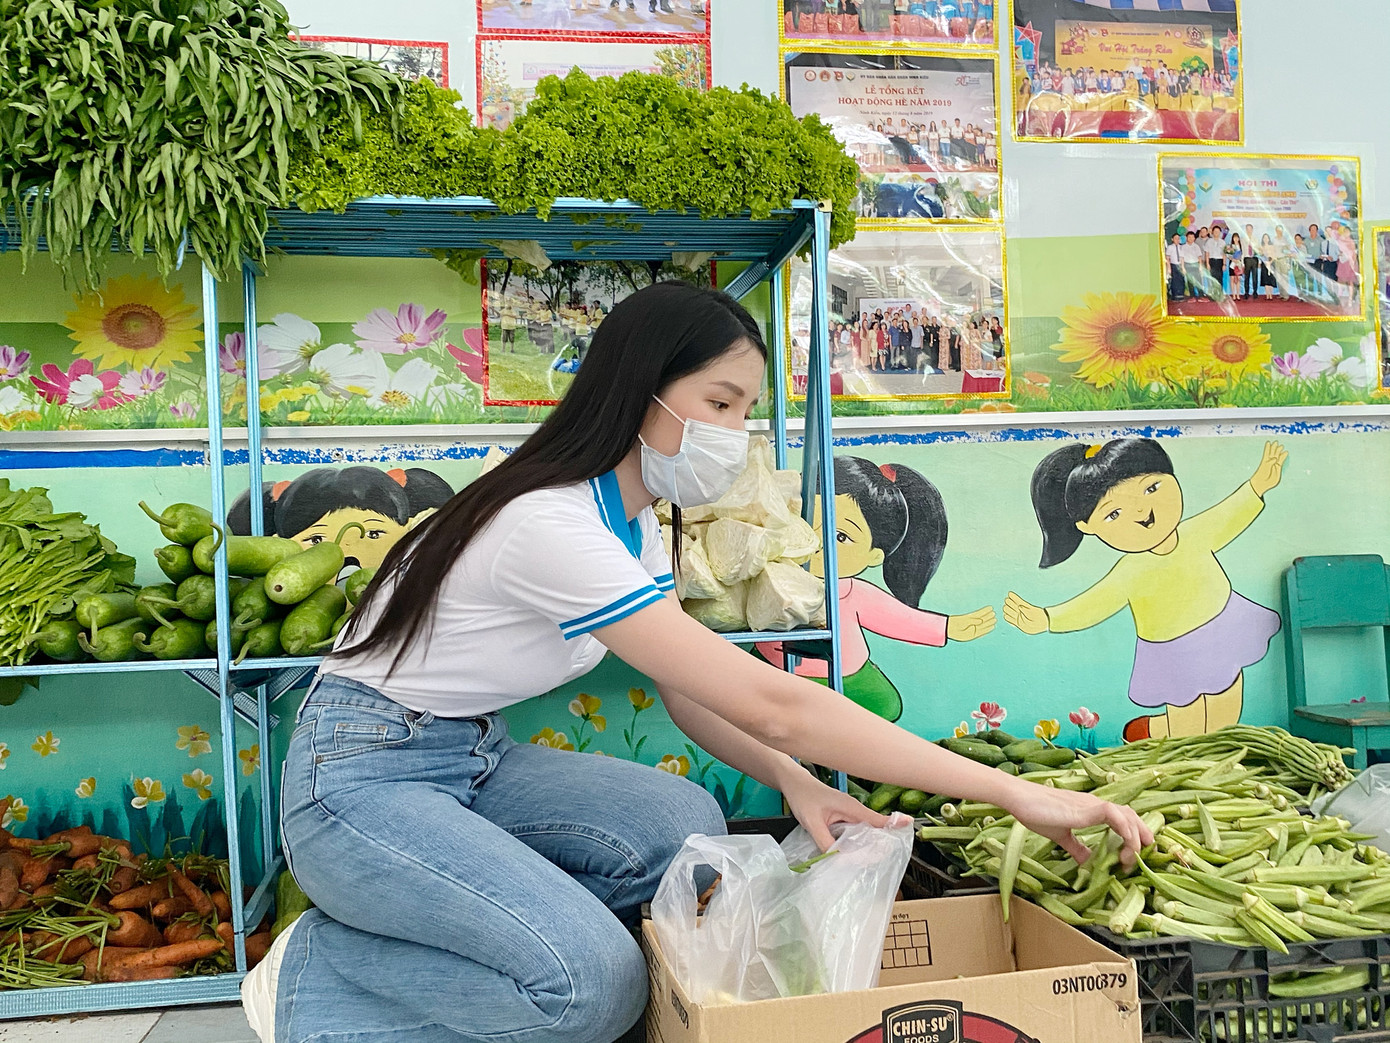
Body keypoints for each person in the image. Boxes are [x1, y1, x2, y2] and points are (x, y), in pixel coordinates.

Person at [241, 282, 1155, 1043]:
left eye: (746, 409)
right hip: (359, 780)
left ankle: (469, 919)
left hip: (475, 759)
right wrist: (1011, 792)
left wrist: (792, 783)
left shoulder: (629, 517)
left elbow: (689, 691)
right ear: (643, 389)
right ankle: (318, 969)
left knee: (686, 826)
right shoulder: (547, 522)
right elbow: (773, 702)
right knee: (591, 990)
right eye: (719, 403)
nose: (734, 430)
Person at [1004, 438, 1285, 743]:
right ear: (1087, 526)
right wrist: (1047, 619)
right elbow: (1095, 603)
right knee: (1187, 726)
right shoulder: (1130, 571)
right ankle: (1162, 738)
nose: (1142, 511)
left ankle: (1186, 744)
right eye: (1113, 513)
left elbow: (1229, 515)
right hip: (1172, 650)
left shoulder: (1195, 533)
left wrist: (1258, 484)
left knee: (1225, 712)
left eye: (1151, 488)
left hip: (1221, 629)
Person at [758, 457, 994, 721]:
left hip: (845, 676)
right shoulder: (770, 572)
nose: (816, 540)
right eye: (804, 521)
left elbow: (898, 618)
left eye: (841, 536)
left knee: (884, 706)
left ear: (874, 556)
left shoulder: (852, 592)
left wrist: (948, 627)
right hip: (773, 667)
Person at [1180, 231, 1204, 302]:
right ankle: (1192, 297)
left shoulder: (1196, 246)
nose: (1191, 238)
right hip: (1187, 264)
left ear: (1194, 238)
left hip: (1195, 264)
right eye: (1189, 237)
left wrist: (1200, 266)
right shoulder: (1183, 247)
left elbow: (1199, 257)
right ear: (1186, 238)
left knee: (1199, 281)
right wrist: (1183, 267)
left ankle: (1201, 296)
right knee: (1190, 281)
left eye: (1192, 237)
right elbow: (1182, 258)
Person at [1166, 232, 1185, 300]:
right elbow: (1167, 258)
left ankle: (1181, 294)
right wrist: (1169, 268)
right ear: (1172, 239)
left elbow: (1182, 257)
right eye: (1176, 238)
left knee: (1181, 279)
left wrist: (1183, 267)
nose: (1177, 240)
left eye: (1178, 238)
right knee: (1174, 280)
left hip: (1180, 265)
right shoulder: (1170, 247)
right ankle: (1175, 295)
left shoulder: (1181, 247)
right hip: (1173, 265)